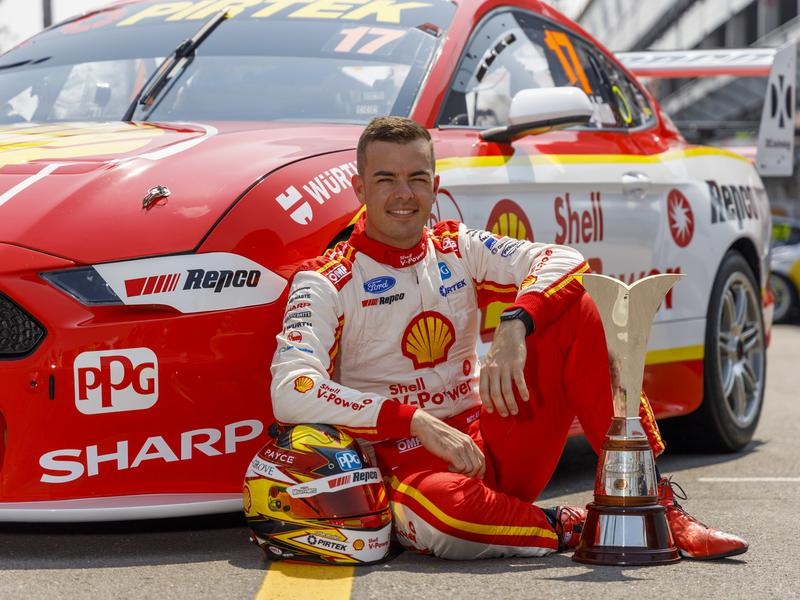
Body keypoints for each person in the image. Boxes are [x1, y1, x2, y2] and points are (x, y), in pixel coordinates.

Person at [269, 115, 748, 561]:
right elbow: (290, 389)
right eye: (385, 179)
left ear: (435, 186)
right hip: (410, 468)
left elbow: (566, 260)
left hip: (491, 442)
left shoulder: (457, 246)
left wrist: (516, 323)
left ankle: (654, 503)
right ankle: (573, 525)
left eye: (417, 178)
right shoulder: (324, 279)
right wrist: (413, 420)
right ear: (359, 189)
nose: (404, 194)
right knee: (446, 519)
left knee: (578, 307)